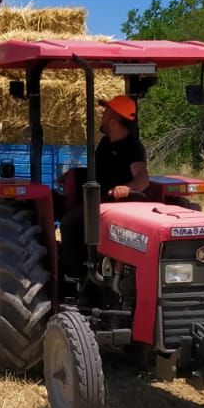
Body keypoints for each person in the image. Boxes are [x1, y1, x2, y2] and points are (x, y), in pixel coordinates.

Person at [59, 95, 150, 283]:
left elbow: (142, 179)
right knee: (62, 208)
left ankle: (75, 276)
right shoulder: (105, 144)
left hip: (117, 205)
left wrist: (126, 188)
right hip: (98, 201)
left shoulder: (132, 147)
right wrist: (72, 175)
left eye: (105, 112)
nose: (101, 115)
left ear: (114, 121)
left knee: (70, 222)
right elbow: (100, 172)